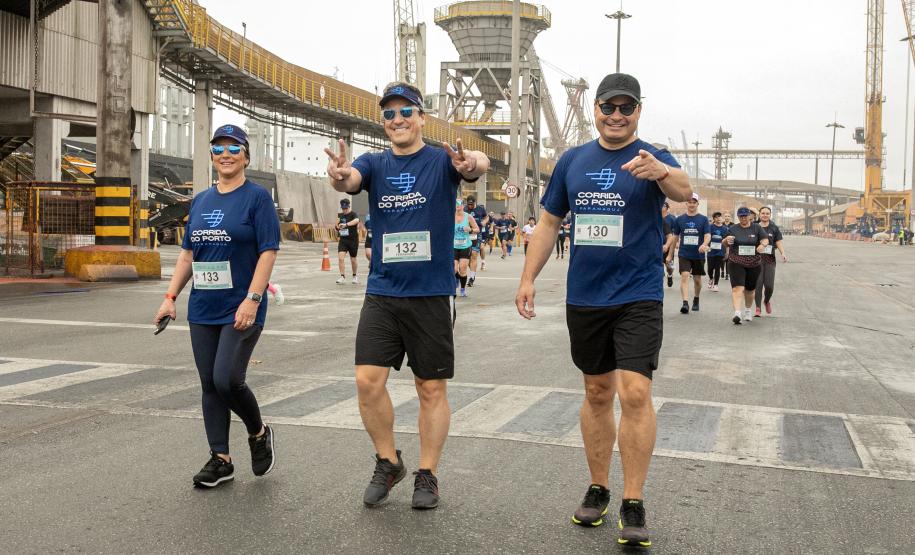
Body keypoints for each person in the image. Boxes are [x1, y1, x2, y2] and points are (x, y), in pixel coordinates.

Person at [515, 73, 691, 548]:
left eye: (626, 108)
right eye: (608, 107)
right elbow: (549, 222)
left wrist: (661, 172)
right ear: (595, 110)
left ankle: (633, 501)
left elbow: (684, 191)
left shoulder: (652, 157)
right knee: (596, 392)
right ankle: (599, 488)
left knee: (634, 392)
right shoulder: (572, 161)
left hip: (638, 294)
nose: (616, 115)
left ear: (638, 112)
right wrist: (528, 278)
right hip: (586, 296)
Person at [324, 82, 490, 509]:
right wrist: (340, 175)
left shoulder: (441, 160)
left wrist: (472, 160)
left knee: (429, 388)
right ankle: (388, 461)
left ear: (421, 118)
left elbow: (476, 165)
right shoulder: (374, 163)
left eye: (405, 112)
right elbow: (350, 179)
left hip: (431, 294)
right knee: (367, 381)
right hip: (382, 291)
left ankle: (427, 473)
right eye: (389, 114)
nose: (396, 120)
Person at [153, 124, 279, 488]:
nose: (226, 154)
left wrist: (253, 299)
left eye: (234, 148)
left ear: (246, 157)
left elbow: (268, 252)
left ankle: (258, 432)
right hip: (203, 307)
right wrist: (169, 298)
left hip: (241, 306)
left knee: (227, 379)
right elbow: (188, 255)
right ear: (211, 156)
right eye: (219, 148)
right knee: (210, 383)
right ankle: (221, 459)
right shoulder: (202, 201)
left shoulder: (257, 199)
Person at [723, 206, 770, 324]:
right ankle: (737, 313)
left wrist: (762, 245)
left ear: (750, 216)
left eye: (745, 216)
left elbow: (765, 239)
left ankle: (748, 310)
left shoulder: (757, 228)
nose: (743, 218)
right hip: (736, 262)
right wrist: (726, 240)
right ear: (738, 217)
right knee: (737, 288)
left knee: (750, 290)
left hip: (753, 263)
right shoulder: (733, 229)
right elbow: (724, 243)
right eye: (741, 216)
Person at [670, 193, 710, 313]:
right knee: (685, 276)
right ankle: (685, 303)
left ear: (697, 204)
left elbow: (707, 235)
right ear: (686, 203)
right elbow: (675, 238)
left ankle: (696, 298)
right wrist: (670, 255)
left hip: (698, 254)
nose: (692, 204)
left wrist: (704, 244)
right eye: (689, 202)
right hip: (684, 253)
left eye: (694, 202)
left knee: (697, 279)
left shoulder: (703, 219)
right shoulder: (679, 219)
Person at [754, 206, 788, 316]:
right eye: (763, 213)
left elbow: (778, 242)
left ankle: (766, 301)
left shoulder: (774, 228)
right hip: (756, 260)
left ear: (770, 215)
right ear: (759, 214)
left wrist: (783, 253)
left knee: (769, 286)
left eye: (767, 213)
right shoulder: (754, 227)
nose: (765, 215)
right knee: (758, 285)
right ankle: (758, 308)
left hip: (770, 260)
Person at [454, 198, 480, 297]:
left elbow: (477, 229)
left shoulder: (468, 217)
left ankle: (462, 289)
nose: (457, 206)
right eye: (456, 204)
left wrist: (470, 229)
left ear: (463, 205)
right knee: (453, 269)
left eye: (459, 204)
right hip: (454, 245)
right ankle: (457, 278)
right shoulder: (451, 216)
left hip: (465, 246)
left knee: (463, 268)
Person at [464, 195, 488, 283]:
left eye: (472, 204)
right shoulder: (464, 209)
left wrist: (484, 222)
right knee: (468, 257)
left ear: (475, 203)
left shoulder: (480, 209)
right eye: (469, 204)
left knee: (474, 255)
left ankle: (471, 277)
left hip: (477, 234)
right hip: (466, 235)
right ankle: (472, 272)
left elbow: (486, 217)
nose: (470, 206)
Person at [335, 198, 361, 284]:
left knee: (353, 259)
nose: (344, 210)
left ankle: (354, 276)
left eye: (346, 208)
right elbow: (337, 227)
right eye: (343, 208)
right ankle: (342, 276)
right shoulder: (340, 215)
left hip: (353, 240)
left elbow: (357, 220)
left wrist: (346, 224)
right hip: (343, 240)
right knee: (340, 258)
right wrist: (337, 226)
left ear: (349, 206)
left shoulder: (353, 214)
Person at [706, 212, 728, 292]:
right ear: (714, 219)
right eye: (716, 217)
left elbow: (727, 241)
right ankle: (711, 278)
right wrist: (706, 245)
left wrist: (727, 252)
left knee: (717, 268)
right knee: (710, 268)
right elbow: (707, 237)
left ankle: (716, 285)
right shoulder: (710, 227)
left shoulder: (725, 228)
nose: (718, 218)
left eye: (719, 217)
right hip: (711, 250)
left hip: (720, 250)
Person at [661, 202, 676, 287]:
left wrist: (676, 242)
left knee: (669, 266)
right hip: (658, 246)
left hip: (669, 245)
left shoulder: (672, 218)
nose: (662, 207)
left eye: (664, 205)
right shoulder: (655, 217)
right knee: (659, 265)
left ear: (667, 208)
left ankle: (670, 275)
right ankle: (660, 274)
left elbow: (675, 233)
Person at [721, 212, 732, 280]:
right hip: (722, 243)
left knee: (728, 259)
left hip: (730, 244)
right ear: (723, 217)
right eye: (726, 216)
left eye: (728, 216)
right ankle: (722, 270)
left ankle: (727, 274)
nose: (727, 217)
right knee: (722, 258)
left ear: (730, 217)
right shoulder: (721, 224)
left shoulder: (733, 225)